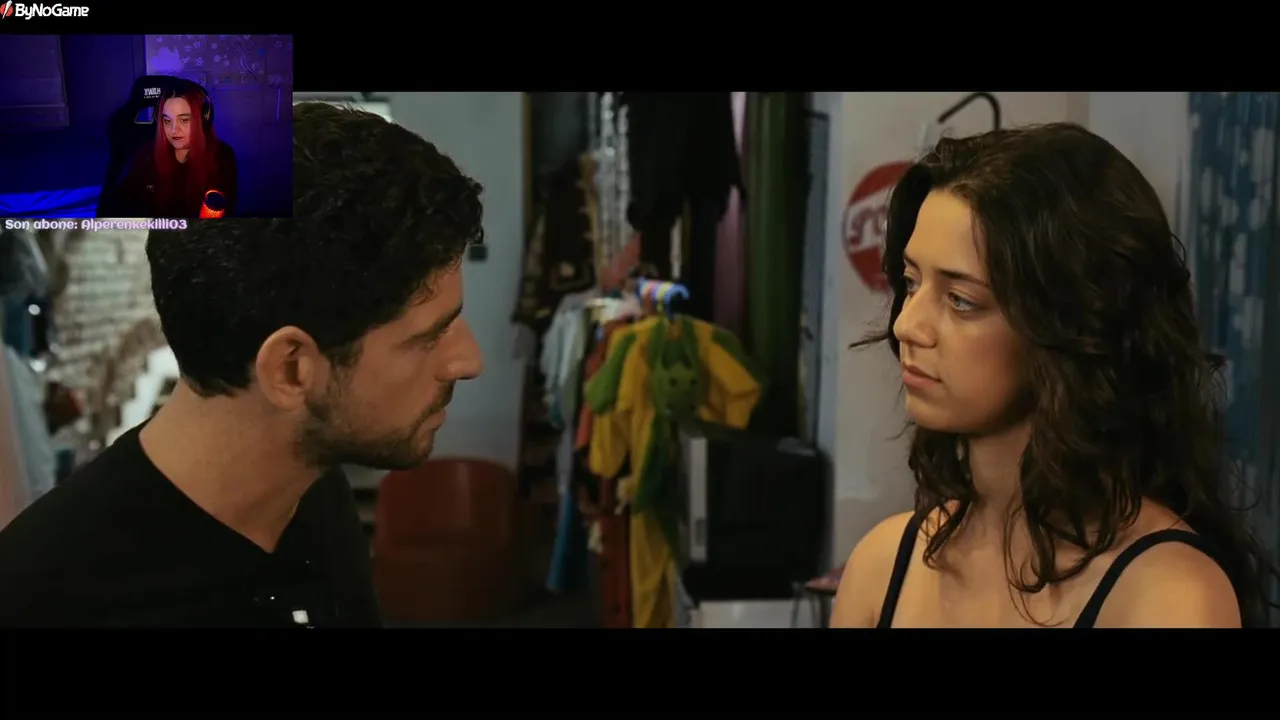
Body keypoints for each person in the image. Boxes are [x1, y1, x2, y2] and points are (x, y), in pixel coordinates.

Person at [0, 102, 486, 627]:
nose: (468, 361)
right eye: (430, 336)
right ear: (291, 369)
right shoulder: (43, 599)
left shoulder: (309, 491)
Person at [830, 123, 1278, 629]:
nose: (906, 325)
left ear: (1070, 327)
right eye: (912, 283)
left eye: (961, 300)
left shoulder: (1168, 595)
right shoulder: (882, 566)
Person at [96, 86, 239, 219]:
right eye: (167, 121)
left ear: (202, 119)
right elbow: (120, 202)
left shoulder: (221, 156)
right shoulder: (147, 154)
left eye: (184, 120)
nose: (173, 130)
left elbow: (221, 213)